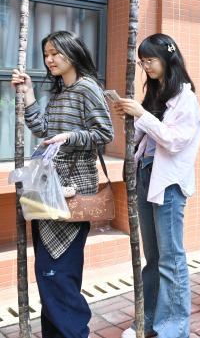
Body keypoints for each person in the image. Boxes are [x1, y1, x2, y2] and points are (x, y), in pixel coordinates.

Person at [12, 31, 114, 338]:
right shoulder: (60, 92)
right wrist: (29, 94)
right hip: (48, 189)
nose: (49, 59)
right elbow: (42, 129)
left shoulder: (87, 88)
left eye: (55, 53)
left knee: (57, 273)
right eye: (46, 54)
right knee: (49, 273)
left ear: (73, 52)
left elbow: (104, 133)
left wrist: (69, 137)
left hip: (72, 191)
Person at [116, 34, 200, 338]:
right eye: (143, 61)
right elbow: (143, 138)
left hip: (168, 183)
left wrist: (141, 115)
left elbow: (175, 140)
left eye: (151, 60)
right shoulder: (156, 94)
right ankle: (149, 320)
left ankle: (174, 328)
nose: (146, 66)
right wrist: (130, 116)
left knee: (171, 258)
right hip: (145, 174)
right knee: (153, 257)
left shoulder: (186, 98)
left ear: (169, 58)